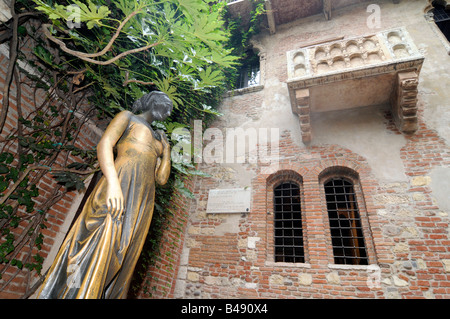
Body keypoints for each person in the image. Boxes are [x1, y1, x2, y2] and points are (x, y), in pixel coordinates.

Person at [37, 91, 172, 299]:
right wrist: (113, 184)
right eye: (165, 104)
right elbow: (105, 145)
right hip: (117, 188)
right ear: (152, 101)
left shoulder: (159, 141)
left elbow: (161, 179)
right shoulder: (127, 117)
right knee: (98, 243)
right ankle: (74, 293)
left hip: (142, 202)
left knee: (123, 255)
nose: (168, 109)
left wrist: (167, 152)